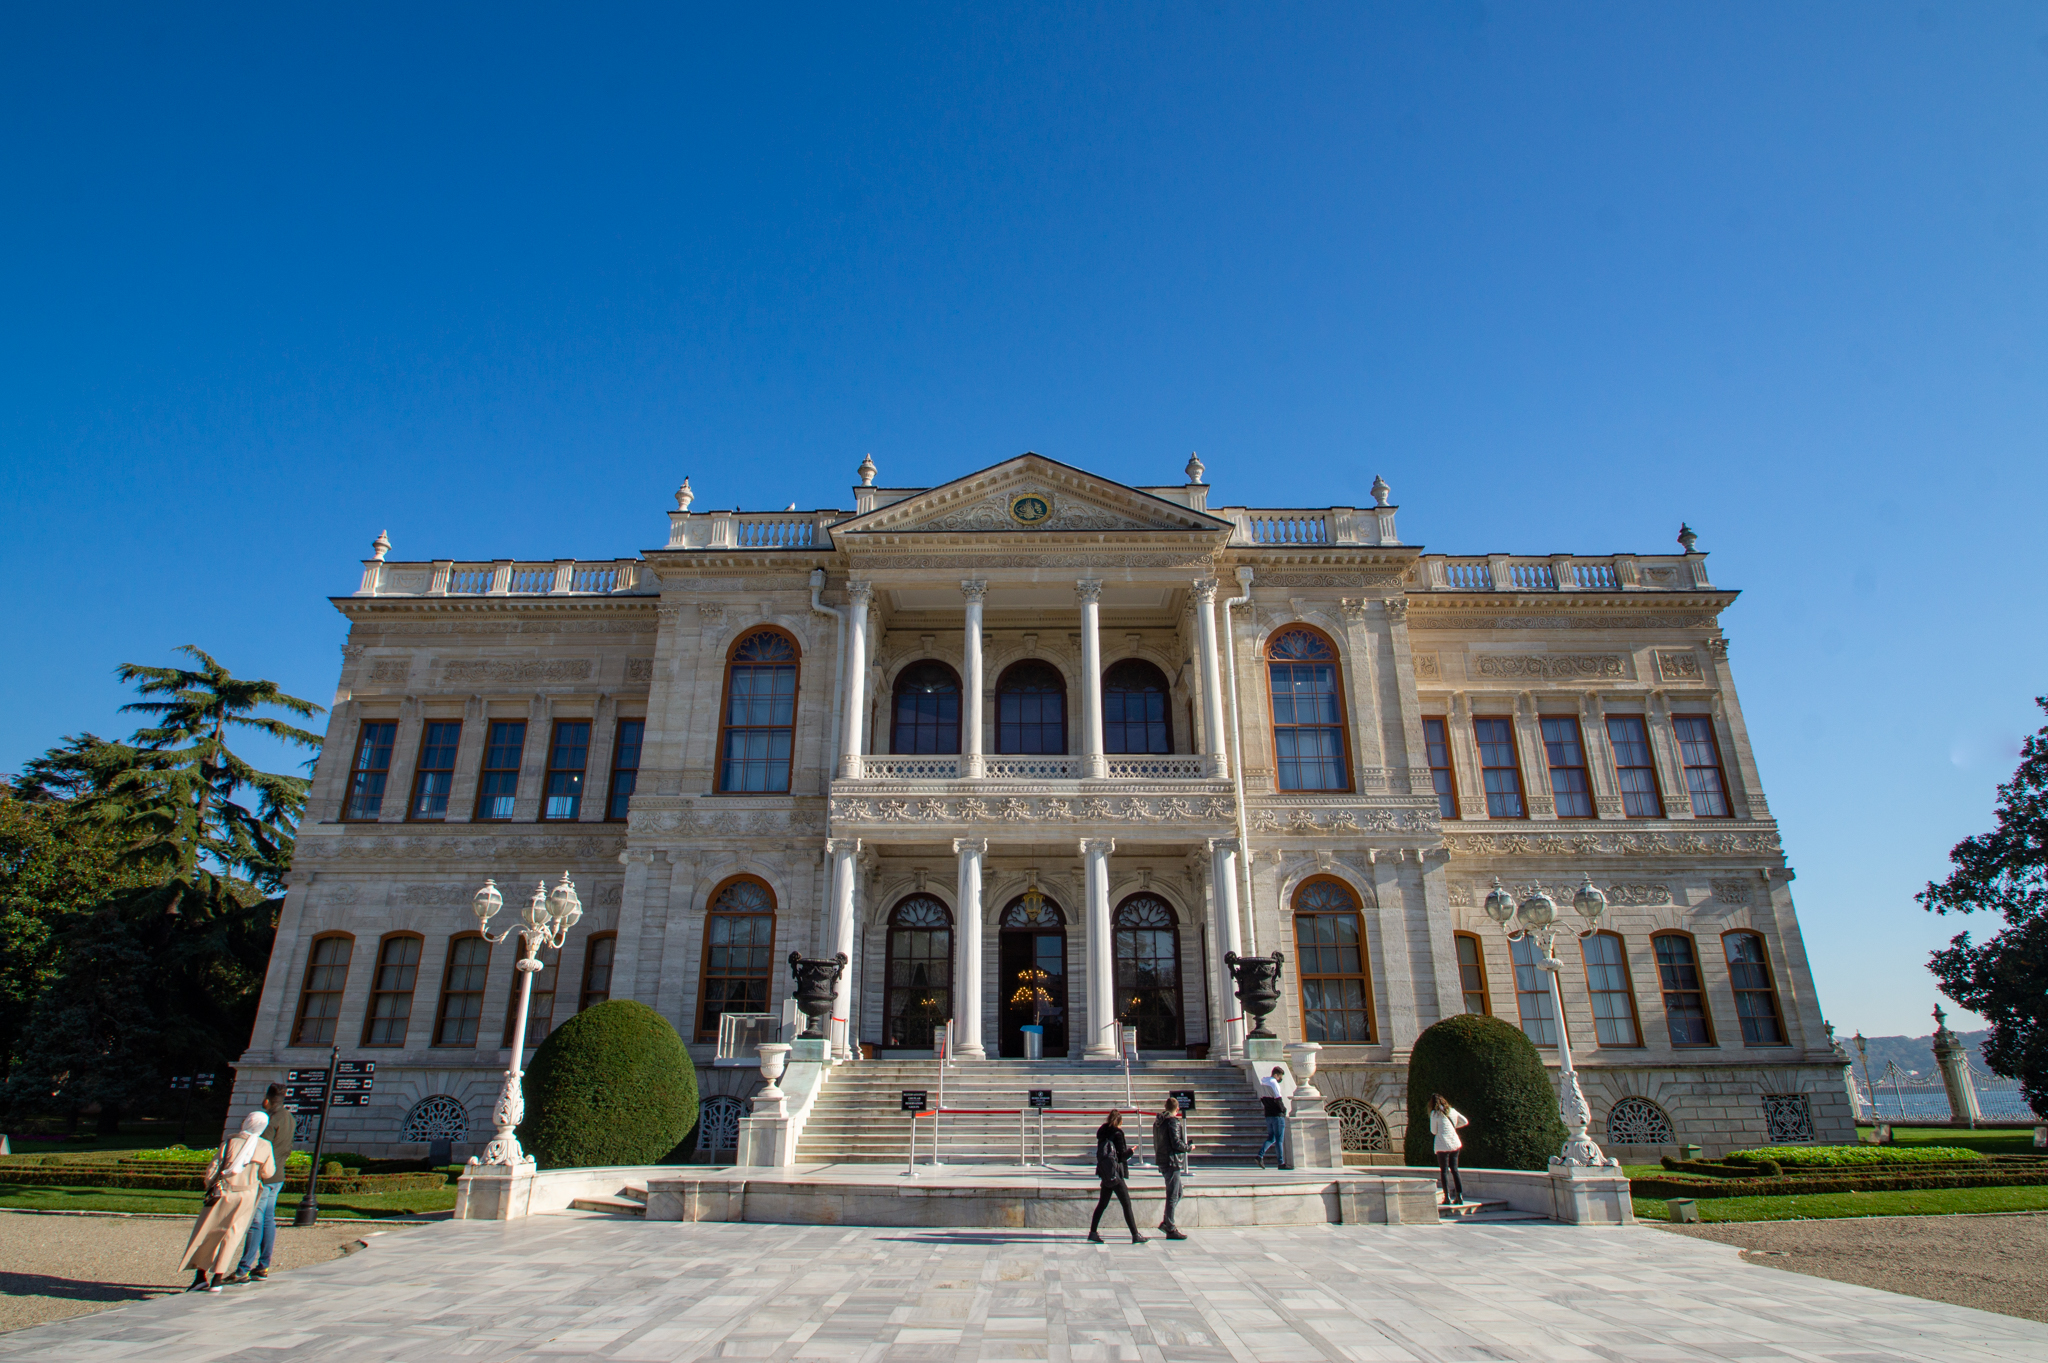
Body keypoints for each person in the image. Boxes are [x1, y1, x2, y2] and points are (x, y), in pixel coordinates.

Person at [179, 1111, 277, 1293]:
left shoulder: (231, 1142)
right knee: (232, 1235)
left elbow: (213, 1168)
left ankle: (200, 1276)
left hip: (225, 1191)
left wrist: (209, 1184)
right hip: (247, 1195)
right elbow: (268, 1173)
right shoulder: (265, 1146)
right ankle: (218, 1278)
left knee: (210, 1232)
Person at [225, 1085, 291, 1284]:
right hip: (278, 1175)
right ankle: (263, 1266)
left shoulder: (269, 1121)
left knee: (256, 1222)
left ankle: (243, 1269)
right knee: (268, 1219)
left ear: (267, 1100)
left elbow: (260, 1149)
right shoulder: (289, 1117)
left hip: (264, 1176)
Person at [1086, 1110, 1146, 1245]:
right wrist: (1131, 1151)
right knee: (1126, 1204)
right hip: (1116, 1174)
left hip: (1106, 1172)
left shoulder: (1103, 1133)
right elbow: (1120, 1157)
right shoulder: (1118, 1134)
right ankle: (1135, 1235)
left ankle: (1093, 1232)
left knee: (1102, 1204)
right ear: (1120, 1122)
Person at [1151, 1097, 1190, 1239]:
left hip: (1163, 1159)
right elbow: (1176, 1143)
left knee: (1178, 1192)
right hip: (1171, 1161)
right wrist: (1188, 1148)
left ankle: (1167, 1222)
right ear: (1177, 1109)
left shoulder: (1158, 1122)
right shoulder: (1172, 1122)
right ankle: (1170, 1227)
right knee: (1173, 1194)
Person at [1429, 1093, 1469, 1206]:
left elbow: (1433, 1131)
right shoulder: (1452, 1111)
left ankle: (1447, 1197)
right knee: (1455, 1170)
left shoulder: (1434, 1114)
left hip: (1442, 1145)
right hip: (1454, 1143)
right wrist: (1453, 1127)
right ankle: (1459, 1196)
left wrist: (1443, 1129)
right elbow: (1465, 1121)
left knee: (1444, 1171)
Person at [1257, 1066, 1290, 1169]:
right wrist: (1284, 1110)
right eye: (1280, 1077)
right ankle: (1281, 1163)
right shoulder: (1273, 1083)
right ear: (1276, 1075)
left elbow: (1262, 1098)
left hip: (1268, 1113)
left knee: (1271, 1138)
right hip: (1277, 1115)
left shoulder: (1263, 1081)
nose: (1280, 1079)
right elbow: (1278, 1099)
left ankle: (1260, 1155)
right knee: (1279, 1140)